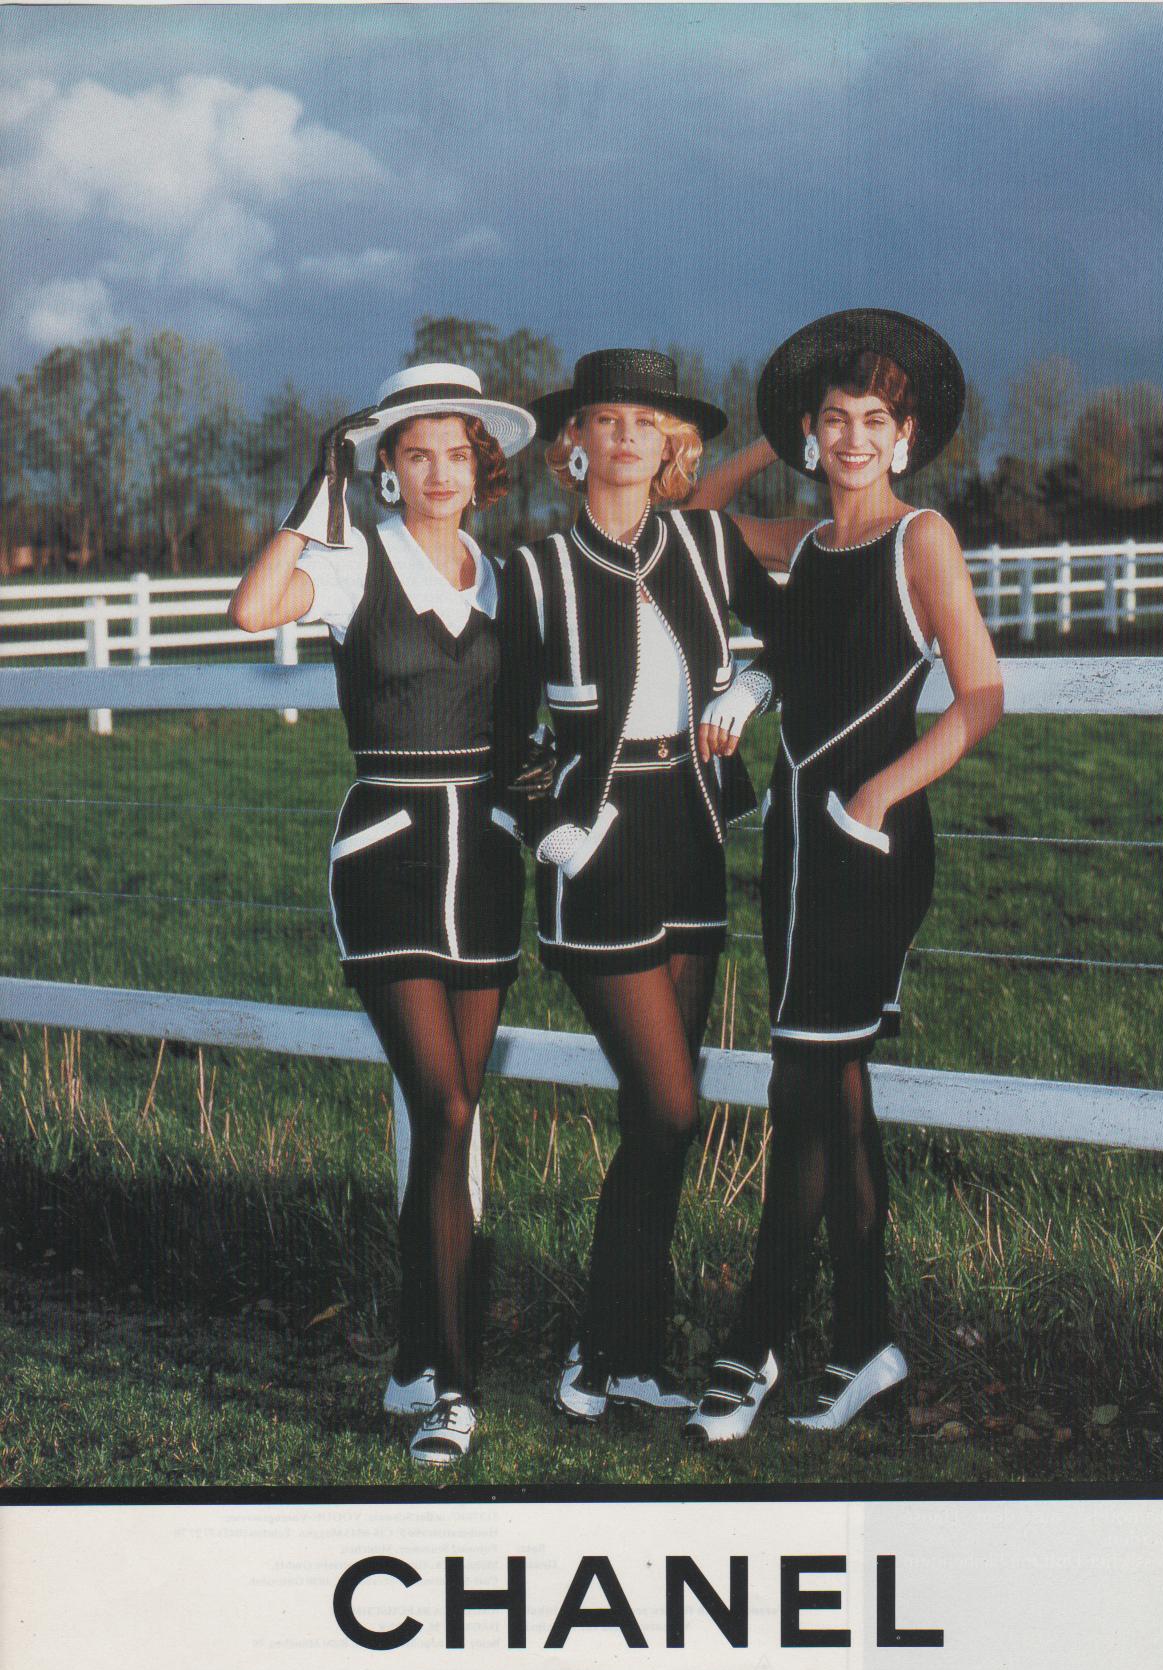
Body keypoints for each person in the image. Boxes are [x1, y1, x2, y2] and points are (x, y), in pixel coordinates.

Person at [681, 310, 1004, 1441]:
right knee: (834, 1089)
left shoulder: (923, 540)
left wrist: (874, 799)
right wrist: (769, 438)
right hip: (793, 851)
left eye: (874, 421)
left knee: (800, 1091)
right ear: (813, 437)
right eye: (834, 420)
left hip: (869, 850)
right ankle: (866, 1342)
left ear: (904, 439)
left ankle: (753, 1343)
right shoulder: (808, 545)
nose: (854, 439)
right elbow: (693, 517)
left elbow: (979, 696)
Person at [228, 364, 537, 1465]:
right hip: (388, 859)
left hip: (486, 863)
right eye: (416, 454)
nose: (439, 472)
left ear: (481, 467)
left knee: (451, 1119)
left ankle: (415, 1353)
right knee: (443, 1108)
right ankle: (456, 1385)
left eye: (457, 452)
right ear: (388, 468)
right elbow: (252, 607)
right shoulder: (356, 561)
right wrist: (318, 494)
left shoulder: (507, 579)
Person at [491, 349, 774, 1423]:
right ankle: (604, 1339)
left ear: (671, 447)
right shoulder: (535, 571)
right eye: (603, 420)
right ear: (573, 444)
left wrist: (751, 685)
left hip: (692, 834)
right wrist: (552, 832)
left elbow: (799, 634)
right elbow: (497, 732)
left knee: (662, 1119)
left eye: (643, 423)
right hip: (596, 850)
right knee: (667, 1103)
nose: (622, 437)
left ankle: (630, 1353)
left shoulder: (705, 543)